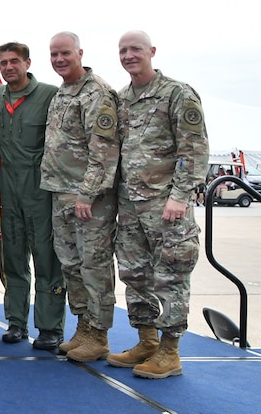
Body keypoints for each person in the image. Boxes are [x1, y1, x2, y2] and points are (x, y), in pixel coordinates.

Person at [108, 30, 208, 379]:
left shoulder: (177, 94)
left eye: (135, 49)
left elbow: (193, 149)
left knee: (170, 277)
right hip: (131, 208)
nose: (129, 55)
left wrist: (180, 196)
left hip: (167, 207)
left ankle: (170, 351)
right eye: (123, 50)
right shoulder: (121, 99)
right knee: (135, 275)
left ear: (152, 51)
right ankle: (146, 341)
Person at [40, 32, 121, 359]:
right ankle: (84, 327)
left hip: (89, 199)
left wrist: (87, 194)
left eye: (65, 53)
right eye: (54, 54)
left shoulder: (96, 93)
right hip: (61, 194)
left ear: (80, 53)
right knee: (72, 265)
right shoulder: (63, 92)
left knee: (94, 265)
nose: (59, 59)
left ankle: (99, 335)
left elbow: (103, 152)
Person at [0, 42, 65, 349]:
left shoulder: (48, 95)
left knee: (47, 260)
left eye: (14, 61)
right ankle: (16, 322)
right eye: (3, 62)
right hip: (8, 190)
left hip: (40, 191)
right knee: (13, 259)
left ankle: (49, 327)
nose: (8, 67)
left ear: (27, 63)